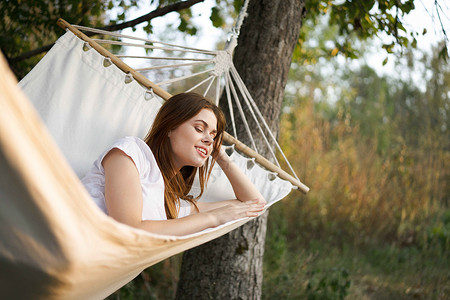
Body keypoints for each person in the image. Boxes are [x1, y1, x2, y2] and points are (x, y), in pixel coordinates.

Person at [82, 92, 266, 236]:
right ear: (170, 127)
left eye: (213, 135)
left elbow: (255, 204)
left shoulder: (171, 205)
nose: (209, 139)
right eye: (199, 128)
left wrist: (221, 157)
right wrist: (213, 218)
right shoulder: (130, 153)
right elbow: (130, 230)